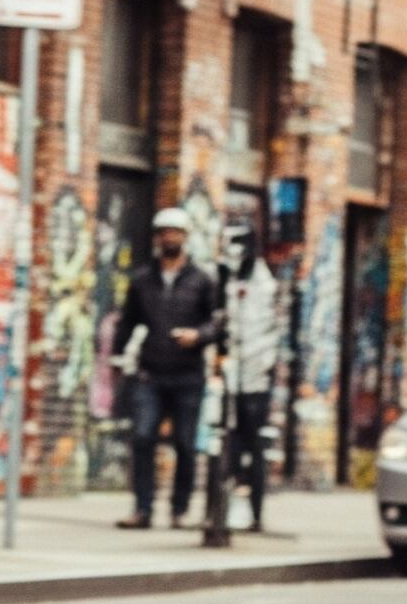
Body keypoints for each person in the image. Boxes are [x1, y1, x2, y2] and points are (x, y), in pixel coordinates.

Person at [116, 208, 219, 530]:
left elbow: (217, 322)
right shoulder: (142, 280)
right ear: (156, 238)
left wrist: (198, 336)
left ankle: (179, 509)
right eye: (163, 233)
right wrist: (117, 359)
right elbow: (127, 322)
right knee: (143, 437)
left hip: (188, 374)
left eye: (175, 232)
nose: (169, 238)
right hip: (151, 372)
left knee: (185, 444)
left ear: (185, 238)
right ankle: (143, 508)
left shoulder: (202, 280)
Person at [217, 221, 282, 530]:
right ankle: (222, 510)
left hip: (253, 381)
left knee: (253, 446)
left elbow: (264, 333)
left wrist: (253, 375)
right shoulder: (223, 279)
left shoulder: (263, 284)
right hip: (229, 378)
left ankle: (254, 512)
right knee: (226, 447)